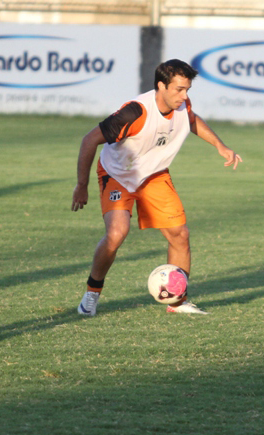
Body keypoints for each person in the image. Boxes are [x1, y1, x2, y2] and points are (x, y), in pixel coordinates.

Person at [71, 59, 241, 317]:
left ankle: (177, 301)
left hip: (154, 175)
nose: (184, 96)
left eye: (187, 90)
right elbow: (89, 140)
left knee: (179, 234)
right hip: (117, 175)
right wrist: (81, 185)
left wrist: (220, 145)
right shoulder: (135, 113)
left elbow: (191, 120)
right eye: (179, 89)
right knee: (116, 234)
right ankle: (92, 293)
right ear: (161, 85)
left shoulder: (183, 105)